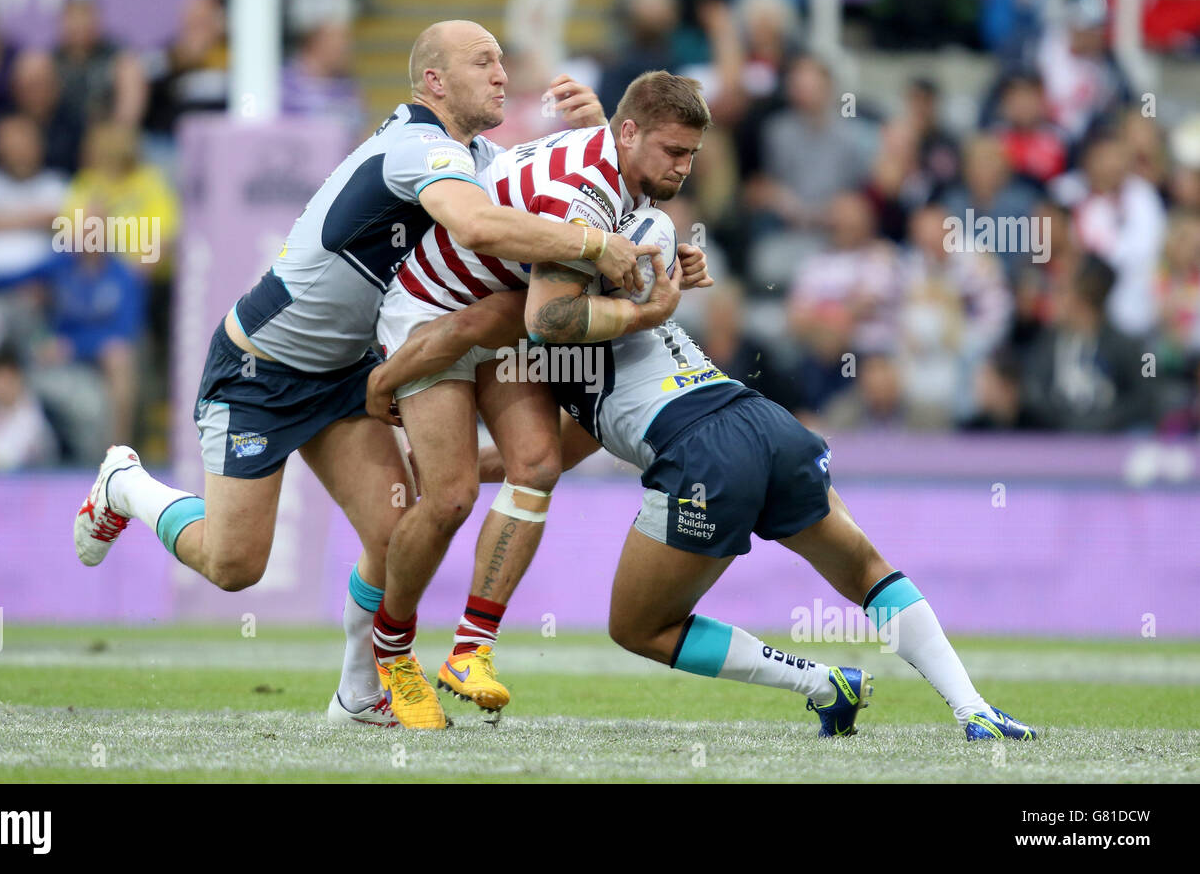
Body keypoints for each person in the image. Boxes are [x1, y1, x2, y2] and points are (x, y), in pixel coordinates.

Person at [72, 19, 655, 730]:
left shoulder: (465, 150)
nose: (503, 74)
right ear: (434, 81)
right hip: (263, 365)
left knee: (395, 529)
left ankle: (358, 691)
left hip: (347, 373)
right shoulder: (418, 148)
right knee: (234, 565)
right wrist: (599, 244)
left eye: (503, 62)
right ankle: (125, 485)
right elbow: (479, 227)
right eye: (484, 62)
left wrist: (597, 141)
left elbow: (539, 189)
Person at [362, 287, 1038, 743]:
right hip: (766, 421)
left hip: (703, 452)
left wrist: (387, 379)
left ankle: (819, 682)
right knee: (865, 566)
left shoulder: (538, 302)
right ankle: (973, 707)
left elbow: (466, 329)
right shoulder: (618, 287)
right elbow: (578, 436)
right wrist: (476, 462)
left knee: (637, 625)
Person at [368, 71, 711, 728]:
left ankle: (469, 651)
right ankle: (394, 656)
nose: (684, 167)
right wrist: (647, 310)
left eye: (692, 154)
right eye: (674, 151)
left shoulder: (613, 166)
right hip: (433, 310)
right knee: (449, 497)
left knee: (537, 465)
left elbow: (571, 276)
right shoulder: (581, 192)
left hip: (498, 316)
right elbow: (549, 322)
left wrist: (669, 263)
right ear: (630, 132)